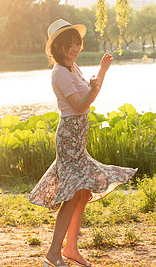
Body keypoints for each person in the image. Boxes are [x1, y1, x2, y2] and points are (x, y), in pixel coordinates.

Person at [29, 19, 137, 267]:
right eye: (69, 44)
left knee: (83, 191)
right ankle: (53, 254)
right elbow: (80, 104)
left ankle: (71, 249)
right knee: (72, 194)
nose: (75, 48)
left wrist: (102, 72)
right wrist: (96, 84)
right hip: (68, 138)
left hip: (77, 139)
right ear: (57, 47)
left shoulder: (72, 68)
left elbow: (90, 93)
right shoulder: (59, 73)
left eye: (77, 43)